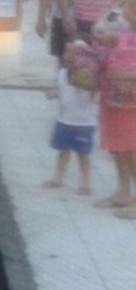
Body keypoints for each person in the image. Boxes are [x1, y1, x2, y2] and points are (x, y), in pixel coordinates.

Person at [91, 0, 136, 216]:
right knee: (116, 137)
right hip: (112, 81)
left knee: (132, 139)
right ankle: (122, 191)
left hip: (129, 82)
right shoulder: (118, 0)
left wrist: (113, 41)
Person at [41, 42, 97, 196]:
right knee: (63, 151)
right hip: (64, 120)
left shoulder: (88, 76)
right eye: (68, 51)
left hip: (83, 123)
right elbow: (60, 90)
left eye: (76, 52)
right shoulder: (62, 73)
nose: (69, 54)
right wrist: (53, 93)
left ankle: (85, 183)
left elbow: (92, 92)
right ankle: (58, 178)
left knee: (82, 155)